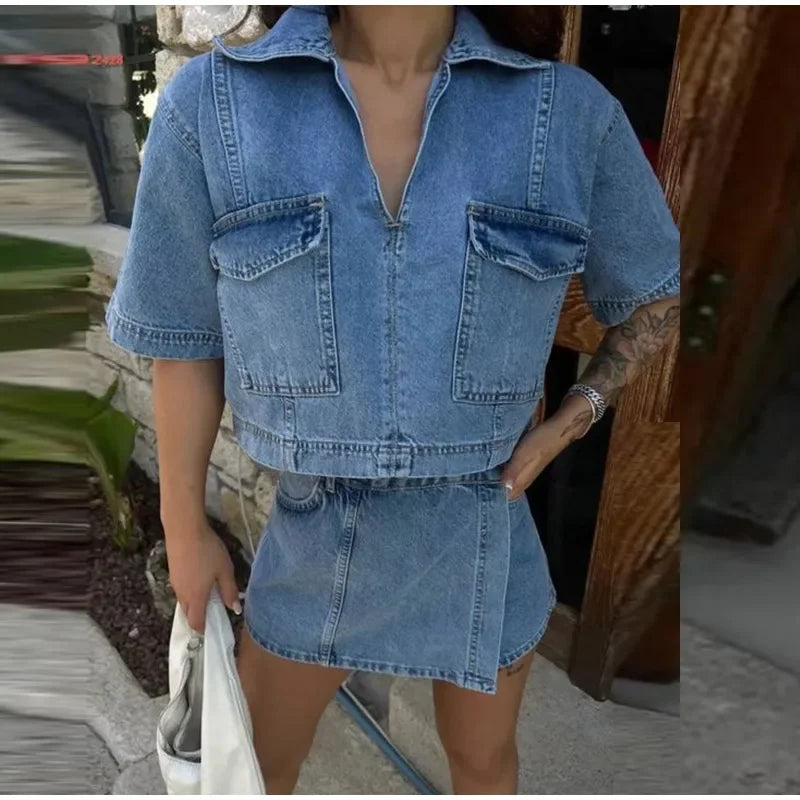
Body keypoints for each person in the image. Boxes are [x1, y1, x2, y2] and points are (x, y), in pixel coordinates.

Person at [106, 5, 680, 794]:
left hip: (483, 526)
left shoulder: (568, 114)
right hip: (313, 536)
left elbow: (653, 297)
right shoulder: (215, 106)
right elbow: (183, 337)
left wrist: (570, 421)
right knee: (253, 774)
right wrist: (183, 526)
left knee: (485, 765)